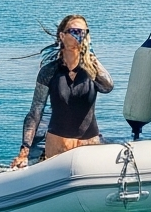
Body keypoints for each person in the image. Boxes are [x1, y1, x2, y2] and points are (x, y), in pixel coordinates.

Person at [12, 14, 112, 168]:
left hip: (89, 144)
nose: (80, 35)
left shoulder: (92, 70)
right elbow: (36, 111)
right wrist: (24, 150)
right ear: (62, 36)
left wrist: (92, 59)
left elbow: (107, 87)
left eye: (84, 32)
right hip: (57, 146)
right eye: (74, 31)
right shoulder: (50, 71)